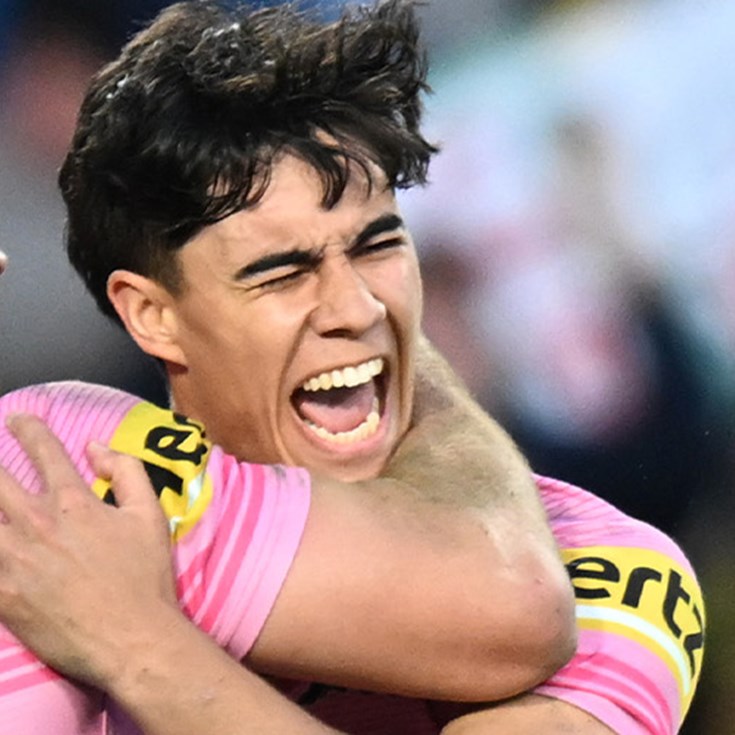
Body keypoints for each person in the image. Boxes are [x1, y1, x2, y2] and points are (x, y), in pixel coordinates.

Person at [0, 1, 703, 733]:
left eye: (378, 246)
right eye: (281, 273)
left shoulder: (607, 564)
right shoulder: (59, 466)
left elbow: (518, 600)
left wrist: (138, 646)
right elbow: (511, 602)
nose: (355, 306)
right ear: (152, 315)